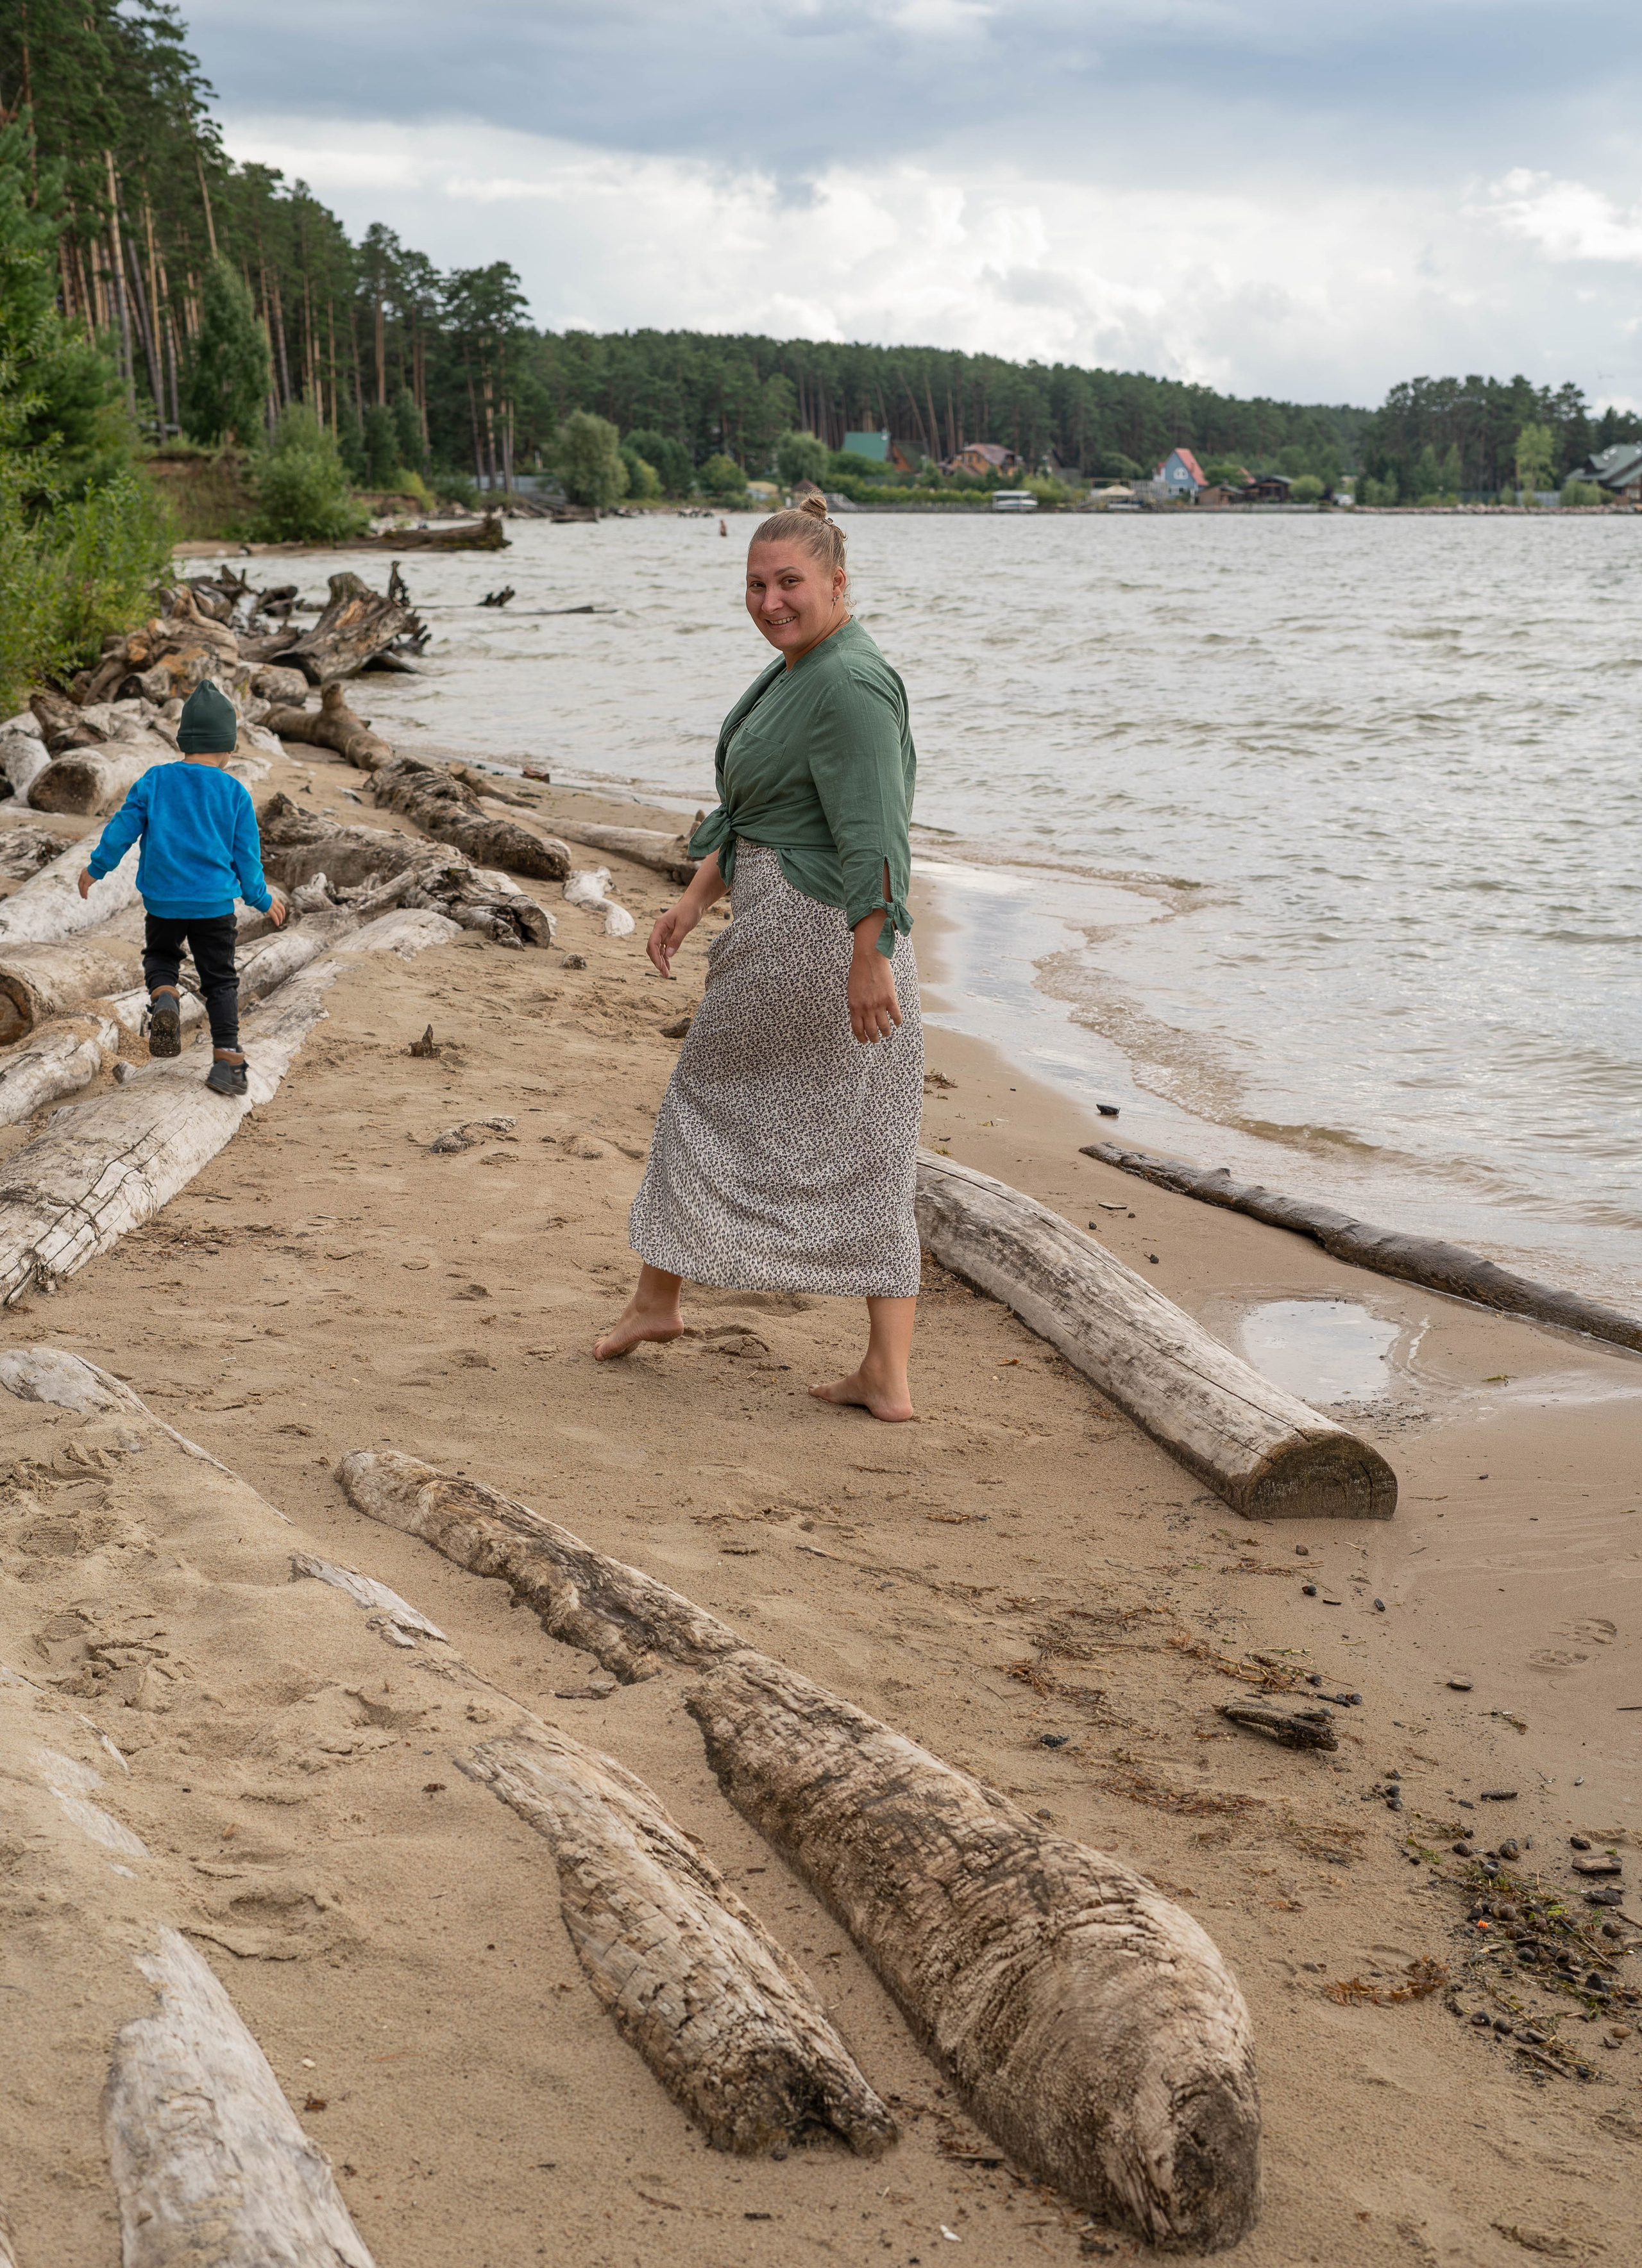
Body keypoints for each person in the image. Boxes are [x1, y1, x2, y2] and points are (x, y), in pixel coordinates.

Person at [596, 494, 923, 1420]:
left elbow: (876, 832)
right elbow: (764, 808)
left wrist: (871, 954)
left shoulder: (849, 683)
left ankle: (658, 1302)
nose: (772, 600)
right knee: (873, 1134)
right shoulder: (802, 667)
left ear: (837, 583)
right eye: (757, 584)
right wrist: (698, 898)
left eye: (791, 583)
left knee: (709, 1104)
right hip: (805, 922)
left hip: (823, 929)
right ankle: (885, 1376)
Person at [78, 678, 286, 1096]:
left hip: (164, 901)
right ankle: (227, 1061)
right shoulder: (235, 792)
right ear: (227, 748)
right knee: (221, 981)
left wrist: (96, 868)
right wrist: (263, 899)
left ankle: (167, 997)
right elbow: (247, 858)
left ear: (184, 740)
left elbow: (122, 828)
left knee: (160, 955)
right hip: (213, 905)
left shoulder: (155, 780)